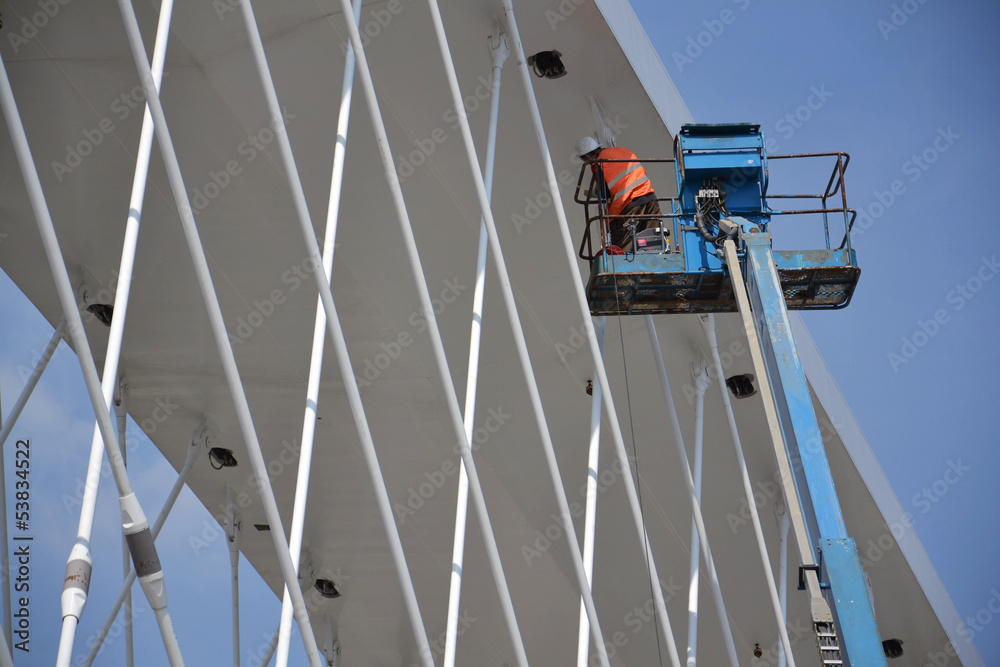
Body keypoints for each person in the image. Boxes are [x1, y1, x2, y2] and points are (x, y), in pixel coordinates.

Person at [575, 136, 661, 252]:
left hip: (629, 205)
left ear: (586, 156)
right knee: (653, 241)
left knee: (622, 249)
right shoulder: (623, 151)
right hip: (650, 200)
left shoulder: (598, 162)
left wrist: (595, 192)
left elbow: (604, 193)